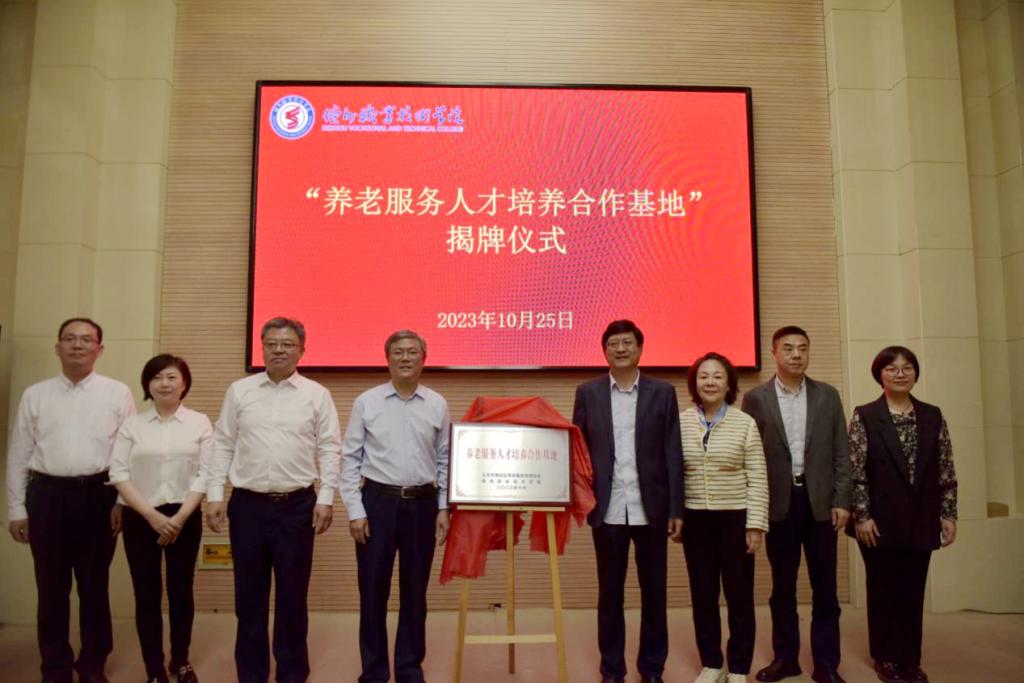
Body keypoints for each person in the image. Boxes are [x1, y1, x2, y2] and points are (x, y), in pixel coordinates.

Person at [206, 317, 341, 683]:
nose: (279, 350)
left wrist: (326, 497)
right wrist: (215, 493)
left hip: (297, 507)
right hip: (247, 506)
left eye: (287, 344)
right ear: (262, 347)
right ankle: (252, 674)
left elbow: (330, 448)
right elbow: (223, 443)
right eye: (272, 343)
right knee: (248, 598)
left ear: (302, 350)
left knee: (292, 598)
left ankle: (292, 673)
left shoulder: (317, 395)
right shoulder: (240, 391)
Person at [5, 318, 136, 683]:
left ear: (99, 349)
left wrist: (122, 502)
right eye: (69, 339)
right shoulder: (36, 395)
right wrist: (16, 508)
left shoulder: (117, 393)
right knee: (51, 588)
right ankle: (55, 668)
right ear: (58, 347)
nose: (78, 345)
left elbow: (129, 453)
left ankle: (92, 665)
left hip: (99, 497)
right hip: (46, 498)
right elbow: (19, 453)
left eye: (86, 340)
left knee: (94, 586)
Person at [572, 319, 683, 683]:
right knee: (610, 594)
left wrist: (676, 508)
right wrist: (582, 500)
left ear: (640, 349)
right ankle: (612, 669)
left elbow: (672, 452)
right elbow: (578, 452)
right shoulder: (587, 393)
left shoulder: (662, 392)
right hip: (607, 509)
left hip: (652, 508)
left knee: (654, 594)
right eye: (613, 343)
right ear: (604, 351)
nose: (620, 349)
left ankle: (651, 669)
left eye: (627, 343)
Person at [339, 330, 451, 683]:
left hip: (422, 505)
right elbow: (349, 459)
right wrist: (355, 511)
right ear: (387, 359)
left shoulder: (437, 404)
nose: (405, 358)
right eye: (398, 352)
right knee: (373, 590)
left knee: (415, 592)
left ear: (423, 359)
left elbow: (445, 460)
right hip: (377, 504)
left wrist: (444, 507)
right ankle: (374, 671)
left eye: (412, 352)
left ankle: (409, 668)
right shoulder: (367, 402)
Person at [741, 327, 850, 683]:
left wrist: (842, 500)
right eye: (788, 348)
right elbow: (750, 456)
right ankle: (786, 658)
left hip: (820, 504)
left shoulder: (827, 396)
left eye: (803, 348)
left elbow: (841, 452)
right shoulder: (755, 398)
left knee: (826, 589)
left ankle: (826, 664)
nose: (796, 355)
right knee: (782, 587)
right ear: (774, 353)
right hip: (779, 504)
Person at [847, 346, 957, 683]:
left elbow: (945, 467)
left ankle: (910, 659)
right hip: (877, 521)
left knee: (913, 590)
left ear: (915, 374)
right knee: (884, 590)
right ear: (879, 375)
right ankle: (886, 658)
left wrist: (948, 513)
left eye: (907, 367)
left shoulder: (932, 415)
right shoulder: (866, 415)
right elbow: (855, 471)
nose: (900, 373)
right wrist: (861, 515)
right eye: (891, 368)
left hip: (922, 518)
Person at [108, 354, 211, 683]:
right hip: (141, 516)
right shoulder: (132, 425)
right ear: (147, 384)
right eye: (156, 378)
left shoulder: (199, 422)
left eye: (171, 377)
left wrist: (179, 518)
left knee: (182, 591)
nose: (164, 384)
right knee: (146, 593)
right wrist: (152, 516)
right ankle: (154, 668)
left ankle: (180, 660)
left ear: (184, 383)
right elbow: (118, 472)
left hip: (184, 515)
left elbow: (206, 473)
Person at [680, 352, 768, 683]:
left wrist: (755, 524)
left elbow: (757, 475)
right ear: (694, 383)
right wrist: (675, 515)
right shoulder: (681, 421)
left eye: (718, 376)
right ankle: (712, 664)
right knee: (703, 594)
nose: (710, 382)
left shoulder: (744, 423)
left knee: (739, 595)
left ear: (729, 384)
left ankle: (739, 667)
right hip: (695, 519)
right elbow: (674, 471)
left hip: (736, 518)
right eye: (703, 376)